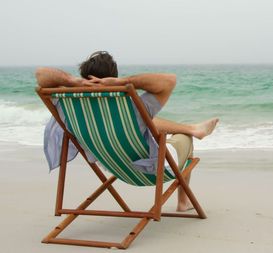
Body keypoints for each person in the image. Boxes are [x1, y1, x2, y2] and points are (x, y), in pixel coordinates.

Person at [36, 51, 219, 212]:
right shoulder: (131, 107)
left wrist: (72, 82)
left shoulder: (67, 106)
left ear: (84, 75)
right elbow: (170, 80)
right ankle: (183, 201)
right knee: (182, 137)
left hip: (115, 166)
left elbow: (41, 74)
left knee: (145, 122)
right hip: (154, 170)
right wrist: (123, 82)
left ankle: (193, 128)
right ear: (113, 76)